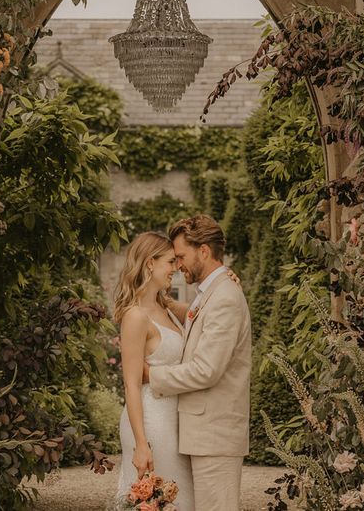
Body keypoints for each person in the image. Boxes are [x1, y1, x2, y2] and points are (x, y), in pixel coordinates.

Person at [147, 215, 251, 511]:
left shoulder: (225, 297)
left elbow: (207, 370)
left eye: (180, 256)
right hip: (205, 433)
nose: (178, 265)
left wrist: (152, 376)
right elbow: (193, 317)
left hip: (215, 436)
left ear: (203, 251)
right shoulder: (213, 292)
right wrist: (159, 301)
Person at [113, 231, 196, 510]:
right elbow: (132, 384)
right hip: (151, 422)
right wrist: (141, 443)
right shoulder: (135, 316)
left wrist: (229, 281)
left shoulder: (165, 307)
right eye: (170, 262)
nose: (176, 268)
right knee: (157, 499)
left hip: (176, 420)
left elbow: (207, 310)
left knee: (182, 498)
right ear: (151, 263)